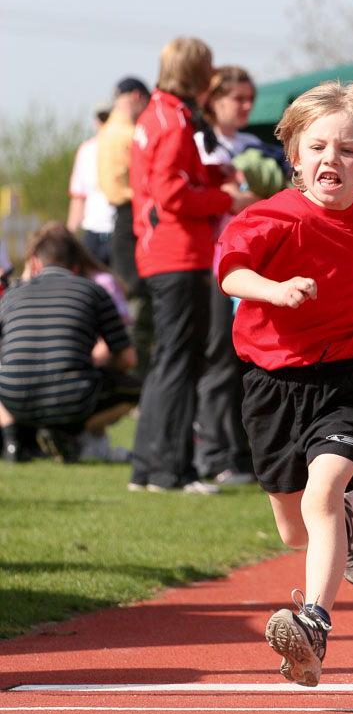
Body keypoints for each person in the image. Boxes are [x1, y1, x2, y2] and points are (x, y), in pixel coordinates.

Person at [218, 80, 353, 686]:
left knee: (321, 497)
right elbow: (232, 274)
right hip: (271, 385)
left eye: (348, 150)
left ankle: (313, 624)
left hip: (342, 381)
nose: (330, 160)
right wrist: (276, 290)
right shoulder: (269, 218)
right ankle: (348, 532)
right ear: (293, 153)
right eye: (317, 147)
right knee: (295, 527)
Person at [127, 37, 249, 494]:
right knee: (182, 363)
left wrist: (217, 176)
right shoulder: (175, 121)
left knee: (168, 361)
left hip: (160, 251)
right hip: (178, 253)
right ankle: (170, 472)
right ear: (198, 73)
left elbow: (179, 175)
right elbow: (173, 194)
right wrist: (229, 198)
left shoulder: (155, 113)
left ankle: (148, 466)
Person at [193, 66, 286, 487]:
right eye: (238, 98)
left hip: (257, 264)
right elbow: (223, 200)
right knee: (218, 360)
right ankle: (213, 454)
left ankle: (245, 453)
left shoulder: (253, 145)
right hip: (215, 264)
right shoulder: (200, 143)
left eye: (251, 98)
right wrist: (246, 196)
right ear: (214, 100)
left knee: (250, 360)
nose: (247, 106)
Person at [0, 222, 140, 464]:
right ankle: (66, 433)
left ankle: (13, 441)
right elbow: (128, 359)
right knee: (134, 389)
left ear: (35, 263)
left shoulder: (11, 294)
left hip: (14, 399)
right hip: (74, 399)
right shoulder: (94, 291)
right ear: (77, 264)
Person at [97, 76, 152, 382]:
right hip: (133, 217)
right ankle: (137, 378)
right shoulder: (131, 134)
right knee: (139, 305)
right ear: (136, 96)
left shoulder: (106, 131)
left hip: (119, 220)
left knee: (132, 301)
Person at [67, 102, 116, 264]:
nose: (104, 123)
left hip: (120, 231)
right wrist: (69, 238)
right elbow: (78, 197)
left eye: (108, 117)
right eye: (102, 118)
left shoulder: (129, 144)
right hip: (93, 233)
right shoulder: (85, 150)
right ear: (95, 121)